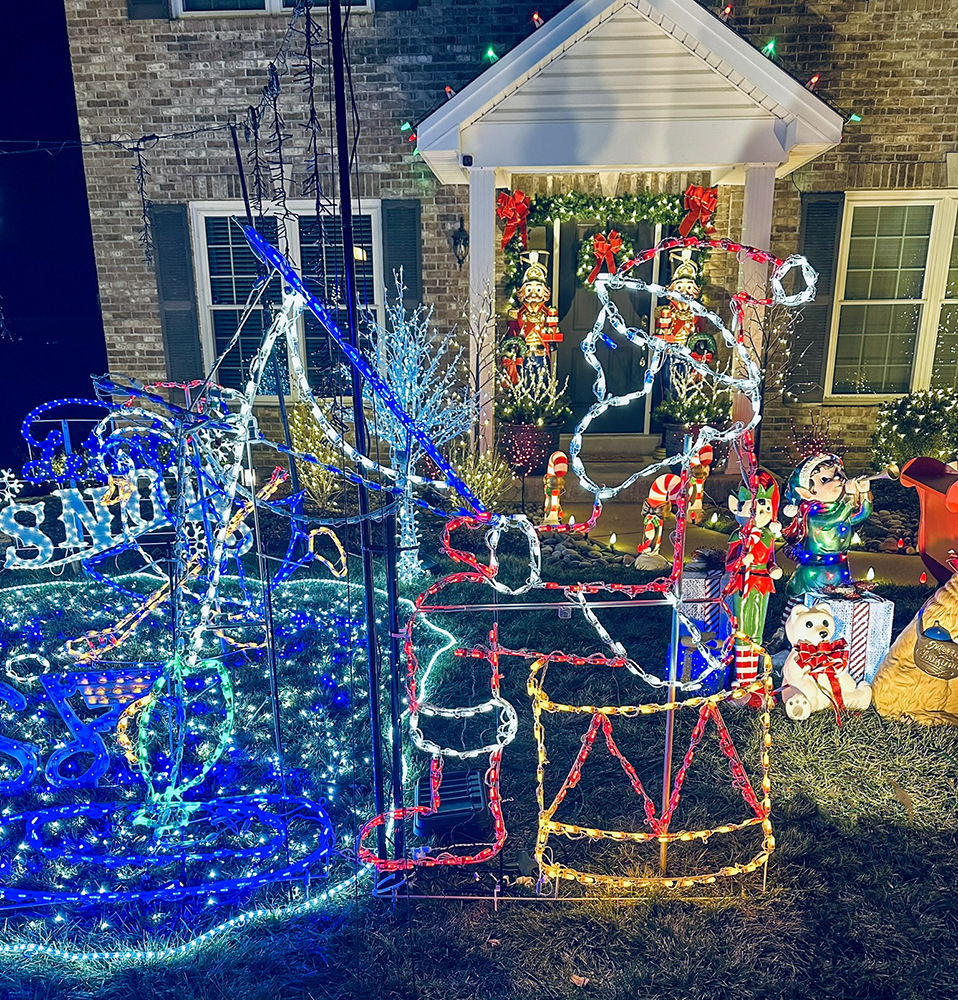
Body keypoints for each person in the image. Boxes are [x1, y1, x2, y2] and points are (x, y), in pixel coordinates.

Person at [725, 471, 783, 699]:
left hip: (762, 584)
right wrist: (741, 559)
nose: (763, 514)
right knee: (743, 629)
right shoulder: (739, 538)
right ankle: (741, 677)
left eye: (767, 509)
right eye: (758, 509)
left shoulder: (768, 538)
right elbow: (729, 564)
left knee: (757, 629)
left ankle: (753, 678)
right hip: (743, 583)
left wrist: (772, 568)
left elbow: (770, 560)